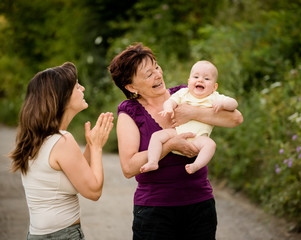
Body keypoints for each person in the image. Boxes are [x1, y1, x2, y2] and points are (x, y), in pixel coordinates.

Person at [108, 43, 243, 240]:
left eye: (156, 66)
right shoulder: (130, 112)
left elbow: (235, 118)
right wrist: (170, 146)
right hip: (154, 211)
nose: (157, 74)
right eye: (148, 74)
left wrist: (194, 112)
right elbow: (129, 167)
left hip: (199, 204)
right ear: (131, 86)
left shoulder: (185, 95)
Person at [9, 62, 114, 240]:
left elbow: (79, 178)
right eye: (76, 85)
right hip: (62, 235)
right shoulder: (62, 141)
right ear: (62, 97)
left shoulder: (40, 138)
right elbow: (93, 191)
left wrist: (90, 143)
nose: (83, 88)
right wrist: (96, 148)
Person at [141, 60, 238, 174]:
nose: (200, 80)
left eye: (206, 79)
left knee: (210, 144)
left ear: (214, 87)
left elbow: (234, 103)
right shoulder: (183, 93)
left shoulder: (214, 97)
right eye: (196, 77)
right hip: (176, 133)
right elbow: (171, 101)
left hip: (198, 138)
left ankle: (196, 165)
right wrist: (168, 108)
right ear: (189, 81)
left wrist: (222, 105)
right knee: (156, 136)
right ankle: (153, 161)